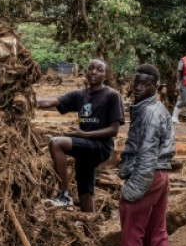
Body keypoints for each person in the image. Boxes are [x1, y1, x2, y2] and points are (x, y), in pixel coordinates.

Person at [36, 59, 123, 212]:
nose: (94, 72)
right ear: (86, 72)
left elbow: (114, 130)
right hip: (85, 148)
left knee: (56, 143)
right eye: (91, 68)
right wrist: (29, 100)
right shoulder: (79, 94)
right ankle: (89, 221)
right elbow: (50, 102)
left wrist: (85, 134)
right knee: (85, 193)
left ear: (106, 75)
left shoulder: (112, 95)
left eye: (99, 70)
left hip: (101, 146)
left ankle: (64, 195)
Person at [117, 64, 174, 246]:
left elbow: (147, 153)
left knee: (131, 235)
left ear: (155, 87)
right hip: (160, 176)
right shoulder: (158, 108)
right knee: (157, 233)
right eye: (137, 82)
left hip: (147, 175)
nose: (139, 87)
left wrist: (132, 189)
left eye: (145, 84)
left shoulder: (149, 113)